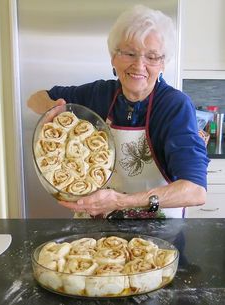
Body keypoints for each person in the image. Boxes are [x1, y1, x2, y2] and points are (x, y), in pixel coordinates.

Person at [27, 5, 209, 219]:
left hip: (157, 238)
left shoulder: (174, 106)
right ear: (113, 57)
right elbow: (36, 98)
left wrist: (119, 202)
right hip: (97, 225)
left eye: (152, 57)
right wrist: (53, 109)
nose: (139, 65)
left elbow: (195, 191)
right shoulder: (99, 93)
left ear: (163, 64)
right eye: (129, 53)